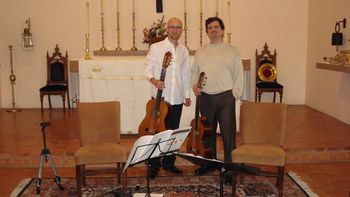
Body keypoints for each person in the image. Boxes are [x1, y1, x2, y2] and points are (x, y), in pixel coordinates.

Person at [191, 17, 244, 181]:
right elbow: (194, 72)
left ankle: (228, 168)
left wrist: (234, 94)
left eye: (216, 27)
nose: (213, 30)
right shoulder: (200, 50)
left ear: (222, 30)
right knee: (208, 135)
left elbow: (239, 74)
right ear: (207, 32)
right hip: (206, 98)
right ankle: (209, 163)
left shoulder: (232, 50)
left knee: (228, 135)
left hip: (225, 98)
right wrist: (195, 86)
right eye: (210, 28)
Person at [144, 17, 191, 179]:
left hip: (177, 99)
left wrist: (186, 95)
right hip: (160, 100)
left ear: (182, 30)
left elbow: (185, 75)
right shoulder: (156, 48)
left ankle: (169, 163)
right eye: (172, 27)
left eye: (178, 27)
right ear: (167, 29)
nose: (175, 30)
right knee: (157, 133)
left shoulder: (184, 51)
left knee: (173, 133)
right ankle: (154, 164)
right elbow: (147, 69)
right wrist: (154, 80)